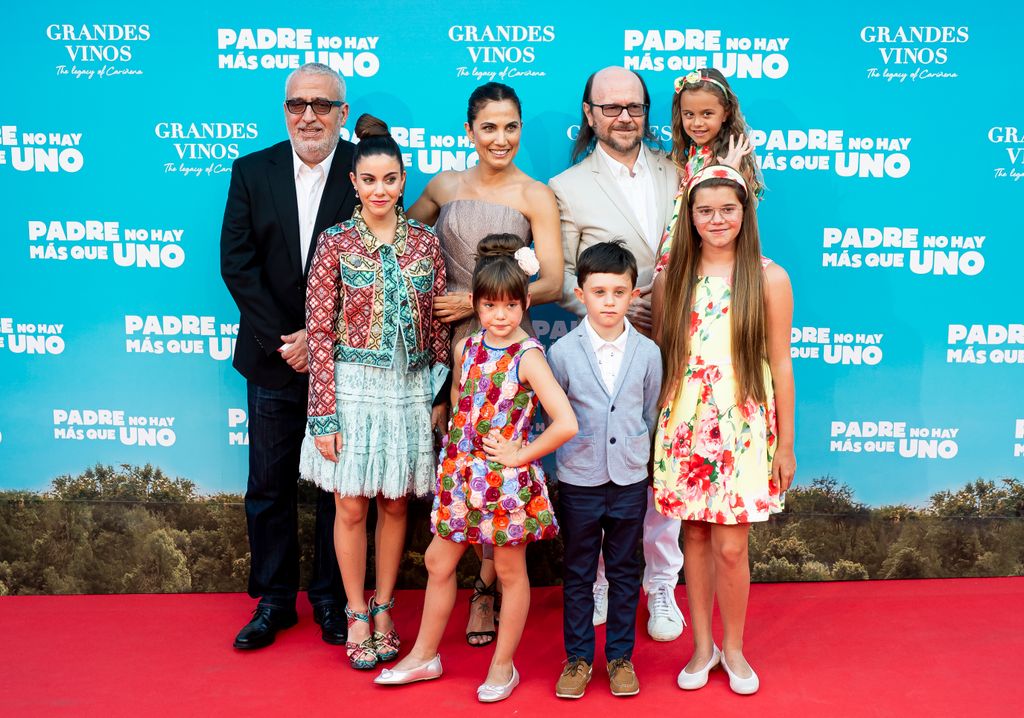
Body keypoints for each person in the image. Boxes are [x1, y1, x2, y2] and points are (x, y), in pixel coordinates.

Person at [375, 234, 578, 703]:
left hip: (505, 482)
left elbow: (566, 422)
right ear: (476, 305)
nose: (500, 315)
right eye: (490, 306)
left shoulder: (528, 357)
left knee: (509, 571)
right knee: (436, 560)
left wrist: (518, 454)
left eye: (510, 305)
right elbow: (464, 409)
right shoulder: (468, 348)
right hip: (463, 476)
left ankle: (503, 666)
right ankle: (425, 655)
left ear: (526, 303)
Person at [408, 81, 564, 646]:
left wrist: (482, 296)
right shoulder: (443, 186)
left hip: (494, 331)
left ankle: (485, 592)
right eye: (489, 127)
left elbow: (550, 279)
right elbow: (399, 230)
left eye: (511, 126)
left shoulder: (535, 195)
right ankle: (438, 588)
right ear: (469, 131)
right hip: (440, 335)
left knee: (493, 466)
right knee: (457, 464)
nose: (501, 138)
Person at [299, 114, 450, 670]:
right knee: (351, 503)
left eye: (391, 179)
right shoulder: (335, 243)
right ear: (354, 184)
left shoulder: (426, 245)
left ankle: (385, 606)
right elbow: (318, 330)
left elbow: (436, 328)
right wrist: (324, 414)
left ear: (403, 180)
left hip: (410, 390)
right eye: (370, 180)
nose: (381, 189)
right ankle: (356, 611)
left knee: (395, 502)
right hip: (351, 388)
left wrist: (439, 397)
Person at [221, 62, 354, 650]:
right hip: (274, 356)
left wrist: (322, 336)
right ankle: (274, 600)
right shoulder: (252, 170)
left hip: (347, 361)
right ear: (284, 111)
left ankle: (331, 599)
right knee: (269, 484)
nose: (309, 115)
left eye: (322, 105)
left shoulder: (366, 170)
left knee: (338, 487)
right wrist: (288, 337)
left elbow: (384, 262)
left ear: (341, 113)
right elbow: (237, 263)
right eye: (298, 104)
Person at [549, 65, 685, 641]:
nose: (623, 117)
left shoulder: (681, 173)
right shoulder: (567, 185)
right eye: (610, 108)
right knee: (607, 464)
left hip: (680, 340)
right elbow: (559, 279)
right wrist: (616, 311)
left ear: (647, 113)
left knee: (663, 461)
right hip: (609, 346)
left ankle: (661, 582)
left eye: (633, 107)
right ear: (589, 114)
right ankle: (603, 578)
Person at [651, 165, 796, 695]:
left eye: (727, 210)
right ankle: (702, 647)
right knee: (693, 534)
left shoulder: (769, 277)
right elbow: (666, 358)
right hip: (685, 421)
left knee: (732, 546)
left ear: (745, 213)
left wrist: (786, 445)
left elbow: (780, 363)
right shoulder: (672, 278)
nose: (717, 220)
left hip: (744, 425)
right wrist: (657, 433)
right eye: (705, 210)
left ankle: (734, 648)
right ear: (689, 216)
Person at [547, 242, 662, 699]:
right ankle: (577, 658)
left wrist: (638, 456)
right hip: (579, 478)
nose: (609, 301)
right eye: (599, 292)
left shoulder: (649, 352)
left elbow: (648, 411)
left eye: (619, 292)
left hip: (630, 479)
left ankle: (619, 658)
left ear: (634, 294)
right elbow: (557, 416)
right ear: (582, 293)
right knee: (578, 571)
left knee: (623, 569)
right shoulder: (562, 352)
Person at [653, 68, 764, 275]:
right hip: (680, 251)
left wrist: (729, 175)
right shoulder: (694, 154)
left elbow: (736, 217)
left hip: (706, 264)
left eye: (707, 114)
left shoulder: (732, 156)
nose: (697, 123)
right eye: (689, 114)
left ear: (726, 112)